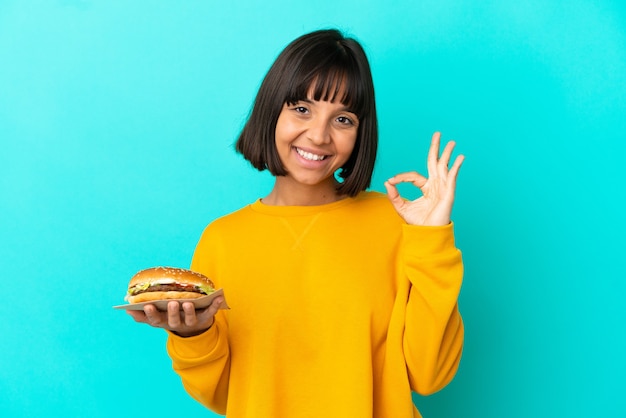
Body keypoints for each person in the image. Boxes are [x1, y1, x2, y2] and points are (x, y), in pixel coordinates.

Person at [127, 28, 465, 418]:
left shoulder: (393, 223)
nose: (319, 136)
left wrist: (431, 240)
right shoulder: (222, 240)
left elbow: (430, 375)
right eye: (302, 109)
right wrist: (193, 334)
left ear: (361, 133)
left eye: (342, 119)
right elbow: (223, 396)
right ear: (272, 111)